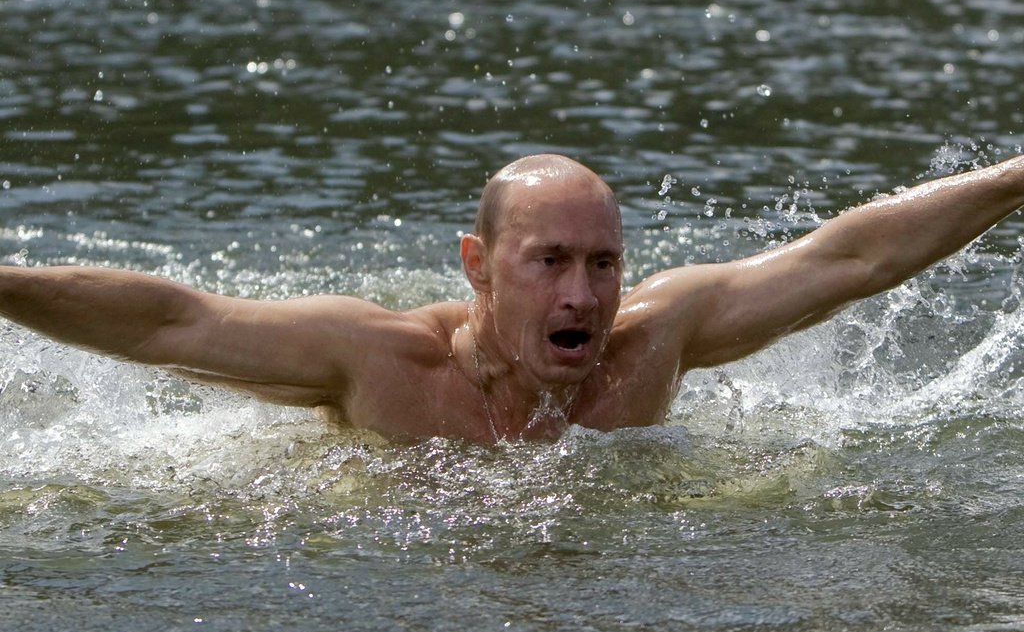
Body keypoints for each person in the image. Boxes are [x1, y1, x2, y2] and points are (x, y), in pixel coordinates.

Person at [1, 152, 1023, 444]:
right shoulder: (379, 360)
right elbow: (174, 320)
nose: (584, 293)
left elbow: (848, 259)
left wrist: (1016, 176)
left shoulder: (654, 340)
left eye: (604, 263)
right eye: (548, 261)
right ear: (477, 265)